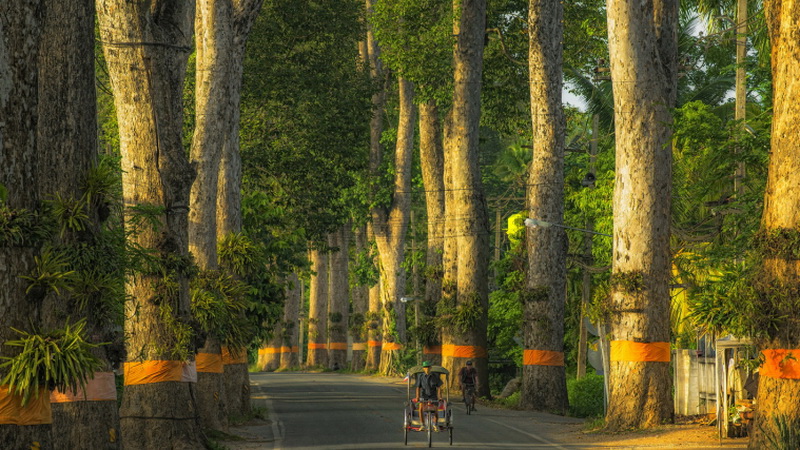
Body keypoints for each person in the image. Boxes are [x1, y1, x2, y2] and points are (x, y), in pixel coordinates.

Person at [415, 361, 442, 430]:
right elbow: (418, 387)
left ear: (431, 368)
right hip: (424, 395)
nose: (427, 369)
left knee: (436, 409)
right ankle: (422, 424)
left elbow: (439, 388)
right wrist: (417, 397)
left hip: (433, 395)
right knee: (421, 408)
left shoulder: (435, 376)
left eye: (428, 367)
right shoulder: (420, 376)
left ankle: (435, 424)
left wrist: (439, 397)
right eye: (425, 367)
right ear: (423, 368)